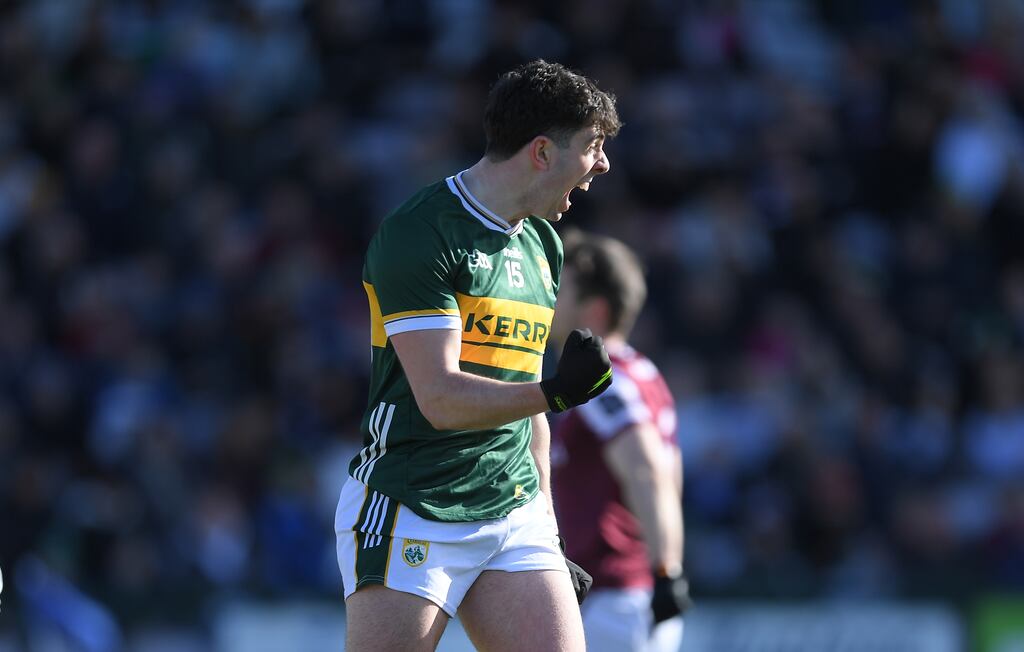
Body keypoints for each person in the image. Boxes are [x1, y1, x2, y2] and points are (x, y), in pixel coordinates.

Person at [335, 60, 622, 652]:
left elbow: (528, 408)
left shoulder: (543, 244)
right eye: (592, 147)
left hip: (514, 509)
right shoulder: (420, 233)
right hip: (416, 502)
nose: (602, 165)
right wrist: (555, 392)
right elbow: (440, 399)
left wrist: (549, 528)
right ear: (541, 152)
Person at [550, 230, 691, 652]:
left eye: (562, 288)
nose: (549, 297)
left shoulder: (602, 381)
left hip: (614, 598)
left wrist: (665, 568)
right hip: (631, 596)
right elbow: (668, 476)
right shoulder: (642, 371)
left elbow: (647, 471)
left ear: (594, 308)